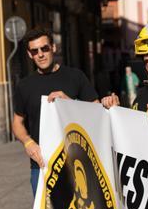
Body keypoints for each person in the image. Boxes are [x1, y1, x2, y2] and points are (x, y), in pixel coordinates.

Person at [12, 27, 99, 194]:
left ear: (53, 48)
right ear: (30, 55)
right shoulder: (24, 85)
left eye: (44, 48)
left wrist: (70, 103)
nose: (41, 54)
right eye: (35, 51)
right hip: (42, 165)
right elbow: (17, 122)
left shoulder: (75, 76)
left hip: (77, 163)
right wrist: (28, 143)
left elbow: (96, 112)